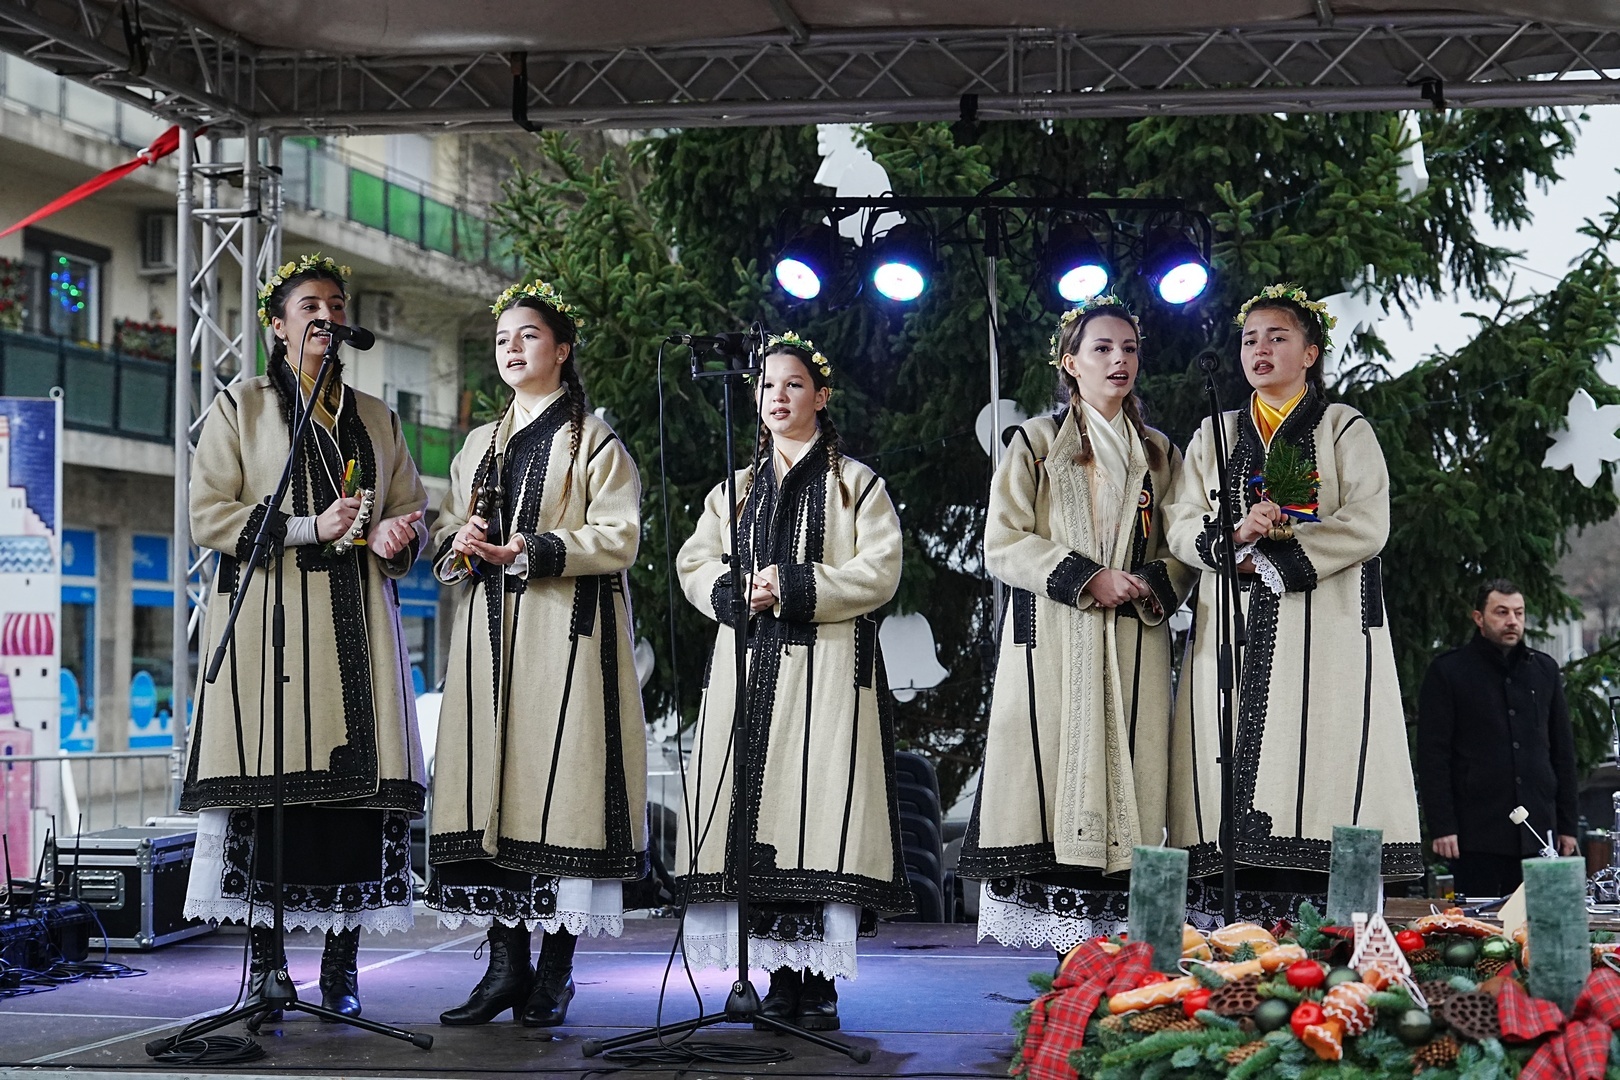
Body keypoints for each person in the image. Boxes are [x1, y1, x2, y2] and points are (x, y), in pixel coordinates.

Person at [181, 253, 429, 1018]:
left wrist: (395, 535)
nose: (327, 316)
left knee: (353, 806)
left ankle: (342, 967)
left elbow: (413, 510)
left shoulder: (379, 418)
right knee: (272, 801)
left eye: (336, 305)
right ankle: (266, 967)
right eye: (310, 306)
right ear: (278, 326)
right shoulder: (242, 407)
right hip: (272, 628)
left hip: (359, 630)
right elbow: (208, 514)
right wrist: (305, 527)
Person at [424, 281, 647, 1027]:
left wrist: (533, 549)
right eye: (502, 340)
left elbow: (620, 537)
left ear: (562, 349)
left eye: (528, 336)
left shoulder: (595, 443)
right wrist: (458, 540)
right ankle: (504, 965)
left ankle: (555, 971)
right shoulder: (477, 445)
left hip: (566, 637)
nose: (512, 349)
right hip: (488, 638)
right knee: (494, 790)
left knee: (562, 795)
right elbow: (447, 529)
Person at [675, 332, 912, 1031]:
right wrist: (732, 592)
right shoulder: (734, 488)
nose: (777, 396)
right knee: (757, 818)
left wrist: (796, 584)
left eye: (794, 384)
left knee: (821, 817)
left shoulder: (858, 484)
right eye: (767, 385)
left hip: (830, 670)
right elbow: (694, 564)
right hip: (750, 666)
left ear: (822, 395)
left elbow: (880, 572)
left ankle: (821, 985)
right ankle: (777, 978)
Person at [1164, 283, 1422, 923]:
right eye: (1250, 339)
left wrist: (1278, 556)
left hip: (1326, 626)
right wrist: (1232, 539)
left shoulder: (1343, 427)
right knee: (1225, 765)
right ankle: (1231, 934)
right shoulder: (1216, 433)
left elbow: (1367, 523)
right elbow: (1180, 520)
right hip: (1230, 623)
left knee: (1322, 761)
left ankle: (1326, 933)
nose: (1260, 350)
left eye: (1277, 337)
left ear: (1310, 353)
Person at [958, 295, 1194, 950]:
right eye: (1102, 348)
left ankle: (1126, 959)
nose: (1119, 360)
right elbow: (1003, 542)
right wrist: (1087, 576)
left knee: (1135, 779)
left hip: (1136, 638)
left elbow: (1184, 545)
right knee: (1053, 778)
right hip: (1057, 639)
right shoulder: (1036, 443)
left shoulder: (1160, 452)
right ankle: (1068, 962)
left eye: (1129, 349)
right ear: (1070, 363)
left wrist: (1150, 581)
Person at [1416, 579, 1579, 897]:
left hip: (1538, 832)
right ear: (1479, 618)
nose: (1512, 621)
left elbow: (1562, 752)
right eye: (1501, 612)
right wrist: (1443, 826)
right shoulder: (1449, 672)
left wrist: (1568, 826)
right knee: (1479, 924)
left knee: (1538, 921)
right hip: (1477, 833)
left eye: (1519, 612)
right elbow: (1433, 756)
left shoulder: (1544, 670)